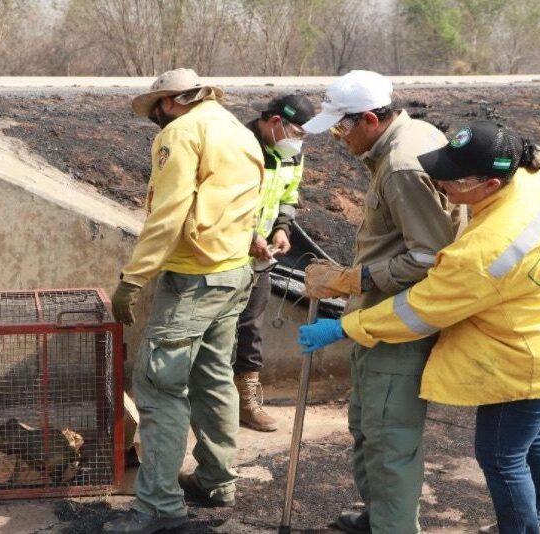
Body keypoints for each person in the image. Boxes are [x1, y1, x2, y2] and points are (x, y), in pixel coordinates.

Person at [299, 120, 540, 534]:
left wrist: (347, 327)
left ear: (491, 184)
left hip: (518, 360)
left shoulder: (483, 252)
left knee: (501, 457)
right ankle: (537, 520)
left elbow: (418, 310)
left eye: (451, 181)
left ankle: (523, 528)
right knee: (531, 441)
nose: (440, 187)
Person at [301, 70, 465, 534]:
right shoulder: (402, 140)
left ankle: (393, 527)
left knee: (389, 439)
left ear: (370, 119)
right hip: (376, 317)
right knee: (368, 428)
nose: (337, 137)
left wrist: (358, 279)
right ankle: (380, 517)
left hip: (398, 323)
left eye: (341, 127)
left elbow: (430, 256)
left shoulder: (401, 165)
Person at [104, 68, 263, 534]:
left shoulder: (181, 131)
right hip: (235, 272)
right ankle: (216, 481)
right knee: (214, 377)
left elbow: (169, 211)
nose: (156, 119)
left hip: (194, 278)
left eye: (157, 110)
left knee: (159, 388)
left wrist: (133, 279)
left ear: (170, 102)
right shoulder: (237, 129)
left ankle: (157, 507)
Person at [234, 94, 315, 432]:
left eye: (303, 136)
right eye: (295, 131)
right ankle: (213, 402)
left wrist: (281, 228)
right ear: (274, 121)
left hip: (260, 257)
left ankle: (246, 401)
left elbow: (288, 195)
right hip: (224, 256)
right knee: (218, 332)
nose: (298, 141)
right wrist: (249, 236)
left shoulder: (289, 153)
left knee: (251, 328)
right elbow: (225, 201)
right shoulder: (239, 146)